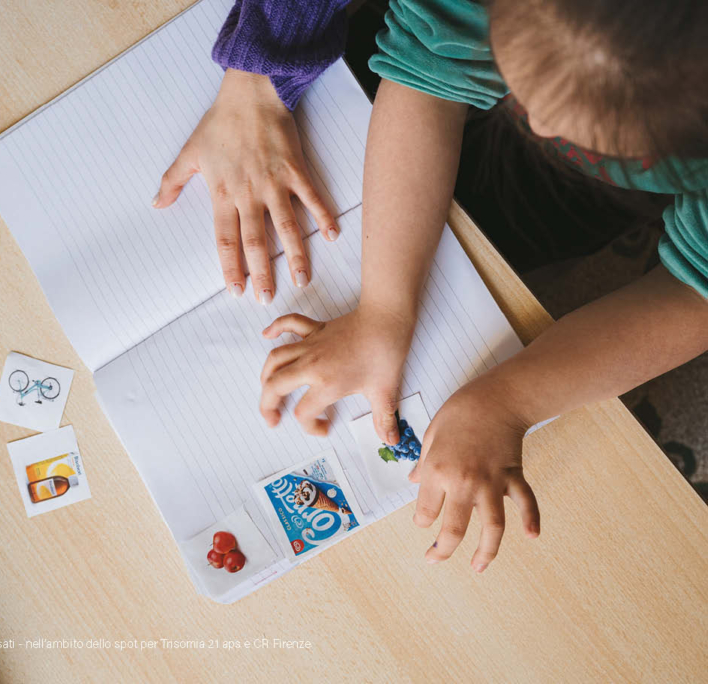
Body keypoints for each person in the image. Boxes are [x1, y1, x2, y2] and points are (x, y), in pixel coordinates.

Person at [156, 0, 708, 572]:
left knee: (529, 223)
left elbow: (697, 290)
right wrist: (384, 310)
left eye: (591, 126)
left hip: (601, 186)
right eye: (520, 75)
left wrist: (510, 402)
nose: (538, 124)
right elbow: (430, 68)